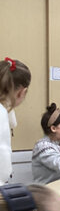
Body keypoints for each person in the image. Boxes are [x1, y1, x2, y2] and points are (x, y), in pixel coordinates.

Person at [0, 57, 31, 185]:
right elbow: (3, 170)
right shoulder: (1, 112)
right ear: (22, 92)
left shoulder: (4, 110)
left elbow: (13, 122)